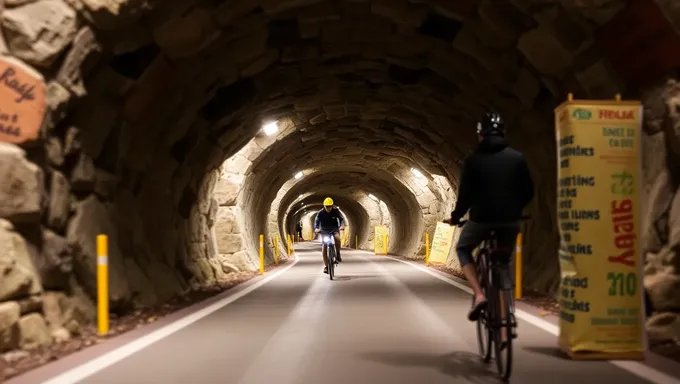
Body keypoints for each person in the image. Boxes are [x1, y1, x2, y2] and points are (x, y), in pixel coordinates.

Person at [445, 111, 534, 324]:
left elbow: (465, 197)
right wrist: (515, 208)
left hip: (481, 220)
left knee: (463, 248)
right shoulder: (517, 158)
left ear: (480, 135)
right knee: (503, 260)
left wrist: (456, 218)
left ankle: (479, 294)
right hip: (510, 221)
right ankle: (505, 316)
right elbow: (528, 190)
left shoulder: (473, 161)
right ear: (503, 133)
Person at [314, 197, 345, 273]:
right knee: (324, 247)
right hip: (324, 230)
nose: (328, 208)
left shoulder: (336, 211)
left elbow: (341, 219)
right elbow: (316, 221)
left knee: (337, 238)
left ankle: (337, 253)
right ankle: (326, 266)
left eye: (330, 206)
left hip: (334, 229)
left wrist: (342, 226)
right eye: (327, 206)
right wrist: (316, 228)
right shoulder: (320, 213)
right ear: (324, 206)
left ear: (332, 205)